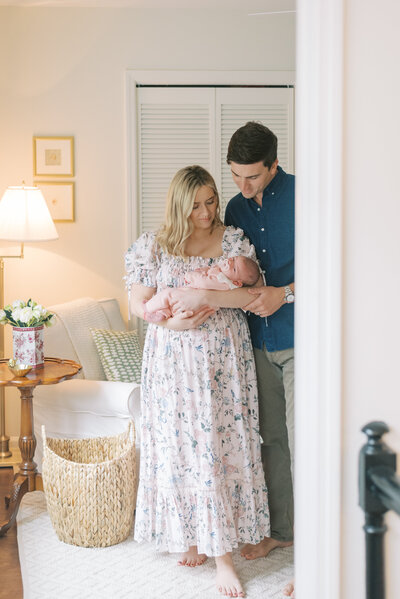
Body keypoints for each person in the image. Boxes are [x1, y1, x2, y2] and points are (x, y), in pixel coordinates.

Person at [124, 165, 270, 598]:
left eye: (211, 201)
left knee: (218, 447)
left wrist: (207, 297)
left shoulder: (233, 242)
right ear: (178, 204)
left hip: (223, 361)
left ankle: (223, 555)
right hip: (172, 362)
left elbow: (252, 294)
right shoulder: (154, 245)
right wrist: (173, 327)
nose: (206, 212)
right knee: (179, 446)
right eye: (196, 205)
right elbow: (138, 303)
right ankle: (191, 537)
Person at [165, 122, 295, 595]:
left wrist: (285, 292)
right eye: (235, 177)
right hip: (253, 342)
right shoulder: (236, 211)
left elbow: (328, 265)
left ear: (274, 165)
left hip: (297, 335)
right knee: (271, 440)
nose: (241, 187)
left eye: (253, 177)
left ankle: (316, 552)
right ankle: (281, 532)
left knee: (301, 442)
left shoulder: (304, 198)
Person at [143, 255, 260, 323]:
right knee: (171, 304)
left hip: (191, 301)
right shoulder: (221, 275)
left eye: (234, 268)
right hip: (190, 304)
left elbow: (203, 283)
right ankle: (163, 314)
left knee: (167, 294)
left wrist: (191, 276)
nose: (229, 262)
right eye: (233, 259)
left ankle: (147, 307)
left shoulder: (223, 281)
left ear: (237, 283)